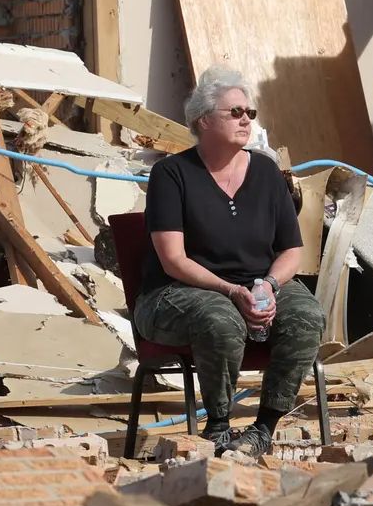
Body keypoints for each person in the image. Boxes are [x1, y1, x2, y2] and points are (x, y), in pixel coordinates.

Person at [134, 64, 325, 458]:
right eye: (235, 112)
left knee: (306, 316)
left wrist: (269, 286)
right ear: (203, 120)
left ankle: (263, 429)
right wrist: (230, 289)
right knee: (219, 318)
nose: (246, 120)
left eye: (249, 113)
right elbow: (173, 259)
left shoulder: (268, 173)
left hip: (254, 286)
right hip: (176, 293)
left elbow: (292, 250)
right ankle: (218, 427)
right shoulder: (172, 175)